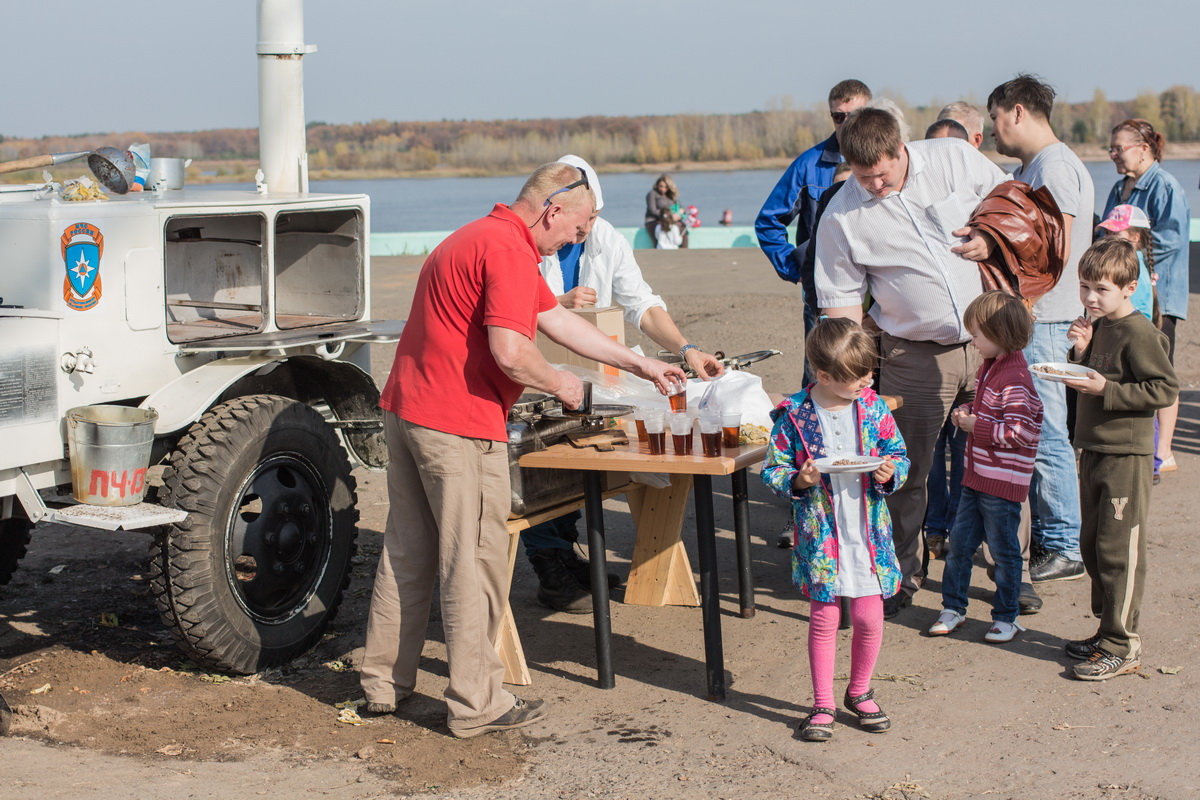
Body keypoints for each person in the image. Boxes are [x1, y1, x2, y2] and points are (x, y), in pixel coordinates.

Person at [360, 162, 686, 738]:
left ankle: (384, 683)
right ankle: (475, 703)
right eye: (578, 228)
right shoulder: (509, 249)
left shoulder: (475, 236)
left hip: (407, 409)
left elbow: (553, 318)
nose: (576, 240)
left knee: (407, 549)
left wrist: (638, 362)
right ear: (552, 209)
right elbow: (512, 352)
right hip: (456, 420)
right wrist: (567, 387)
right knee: (474, 559)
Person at [814, 107, 1006, 618]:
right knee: (905, 474)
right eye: (863, 176)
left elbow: (1013, 202)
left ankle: (1011, 574)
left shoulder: (953, 159)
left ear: (903, 149)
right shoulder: (840, 215)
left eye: (884, 171)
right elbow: (841, 303)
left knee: (1000, 465)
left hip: (991, 346)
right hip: (912, 356)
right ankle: (899, 573)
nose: (875, 184)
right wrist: (852, 374)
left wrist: (992, 238)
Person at [527, 154, 723, 613]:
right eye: (584, 220)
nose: (588, 229)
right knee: (543, 460)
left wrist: (686, 349)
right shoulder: (531, 240)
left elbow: (642, 304)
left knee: (586, 459)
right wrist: (557, 301)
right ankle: (548, 562)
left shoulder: (605, 237)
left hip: (595, 370)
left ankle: (565, 548)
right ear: (559, 209)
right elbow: (511, 306)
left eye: (595, 217)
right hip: (539, 372)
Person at [761, 318, 910, 742]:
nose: (866, 381)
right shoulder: (794, 414)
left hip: (868, 532)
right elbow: (773, 469)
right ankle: (822, 702)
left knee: (869, 616)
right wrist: (799, 480)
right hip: (821, 536)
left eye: (868, 373)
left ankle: (860, 691)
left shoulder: (874, 407)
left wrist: (887, 471)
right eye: (856, 377)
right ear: (823, 375)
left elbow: (899, 455)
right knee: (824, 617)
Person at [987, 74, 1094, 586]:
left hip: (1045, 318)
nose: (992, 129)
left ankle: (1062, 544)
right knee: (1036, 424)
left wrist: (1025, 302)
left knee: (1047, 428)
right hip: (1036, 314)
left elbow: (1056, 246)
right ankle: (1054, 539)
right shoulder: (1030, 167)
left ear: (1018, 111)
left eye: (995, 118)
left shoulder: (1055, 166)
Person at [1064, 238, 1178, 680]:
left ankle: (1122, 643)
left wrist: (1104, 390)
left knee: (1118, 551)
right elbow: (1093, 374)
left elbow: (1164, 390)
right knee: (1093, 545)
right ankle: (1105, 631)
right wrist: (1079, 353)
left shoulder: (1139, 330)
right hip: (1093, 448)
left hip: (1125, 456)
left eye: (1101, 290)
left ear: (1129, 287)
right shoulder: (1102, 326)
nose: (1091, 297)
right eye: (1085, 286)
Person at [928, 292, 1043, 643]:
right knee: (959, 545)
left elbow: (1021, 433)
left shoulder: (1016, 379)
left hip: (1001, 483)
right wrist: (969, 416)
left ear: (1001, 334)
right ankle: (953, 607)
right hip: (977, 479)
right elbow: (991, 417)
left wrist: (973, 425)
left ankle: (1006, 616)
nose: (973, 342)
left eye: (977, 335)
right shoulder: (992, 369)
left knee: (1005, 550)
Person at [1101, 119, 1191, 477]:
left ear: (1144, 148)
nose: (1112, 155)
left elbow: (1172, 238)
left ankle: (1163, 451)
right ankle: (1137, 445)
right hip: (1121, 298)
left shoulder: (1165, 185)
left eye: (1118, 148)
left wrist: (1125, 254)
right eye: (1111, 149)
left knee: (1158, 371)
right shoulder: (1120, 187)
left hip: (1158, 297)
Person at [756, 79, 872, 335]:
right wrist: (794, 268)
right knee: (822, 370)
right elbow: (768, 222)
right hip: (824, 293)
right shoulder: (808, 166)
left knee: (883, 370)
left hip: (880, 292)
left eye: (853, 116)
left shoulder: (886, 160)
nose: (845, 123)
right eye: (838, 117)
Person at [919, 116, 971, 564]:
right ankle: (935, 529)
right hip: (921, 355)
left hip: (980, 349)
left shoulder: (983, 197)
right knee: (929, 451)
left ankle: (968, 538)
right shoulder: (907, 201)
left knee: (971, 450)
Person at [1096, 205, 1156, 322]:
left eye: (1115, 233)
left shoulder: (1133, 267)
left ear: (1134, 237)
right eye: (1108, 232)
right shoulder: (1128, 263)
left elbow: (1135, 311)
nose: (1109, 238)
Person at [645, 174, 685, 247]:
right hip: (654, 221)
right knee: (660, 234)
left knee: (683, 228)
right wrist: (668, 217)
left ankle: (684, 253)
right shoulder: (652, 194)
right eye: (661, 186)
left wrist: (680, 212)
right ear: (657, 185)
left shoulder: (671, 196)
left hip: (670, 221)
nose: (663, 189)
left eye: (666, 187)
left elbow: (681, 208)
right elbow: (652, 210)